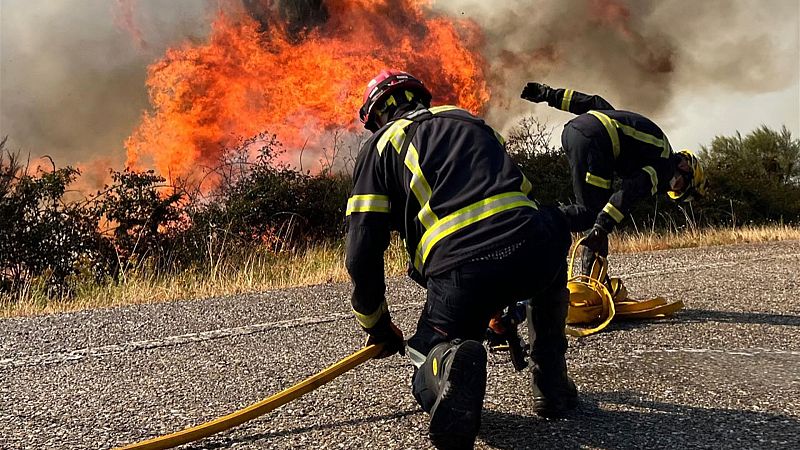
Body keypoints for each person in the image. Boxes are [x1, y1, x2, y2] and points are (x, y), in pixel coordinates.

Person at [346, 70, 576, 450]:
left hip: (463, 275)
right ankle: (551, 384)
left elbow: (361, 252)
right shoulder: (468, 119)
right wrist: (511, 299)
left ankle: (448, 361)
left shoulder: (379, 146)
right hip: (533, 247)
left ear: (375, 117)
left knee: (426, 352)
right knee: (547, 237)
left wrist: (378, 326)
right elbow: (517, 196)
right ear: (420, 98)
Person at [520, 82, 707, 281]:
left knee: (592, 209)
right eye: (679, 186)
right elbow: (630, 191)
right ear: (685, 166)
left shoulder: (648, 138)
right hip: (596, 143)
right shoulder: (665, 163)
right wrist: (602, 227)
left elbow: (595, 103)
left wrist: (549, 94)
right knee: (591, 216)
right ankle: (531, 221)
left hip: (573, 133)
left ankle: (592, 277)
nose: (672, 187)